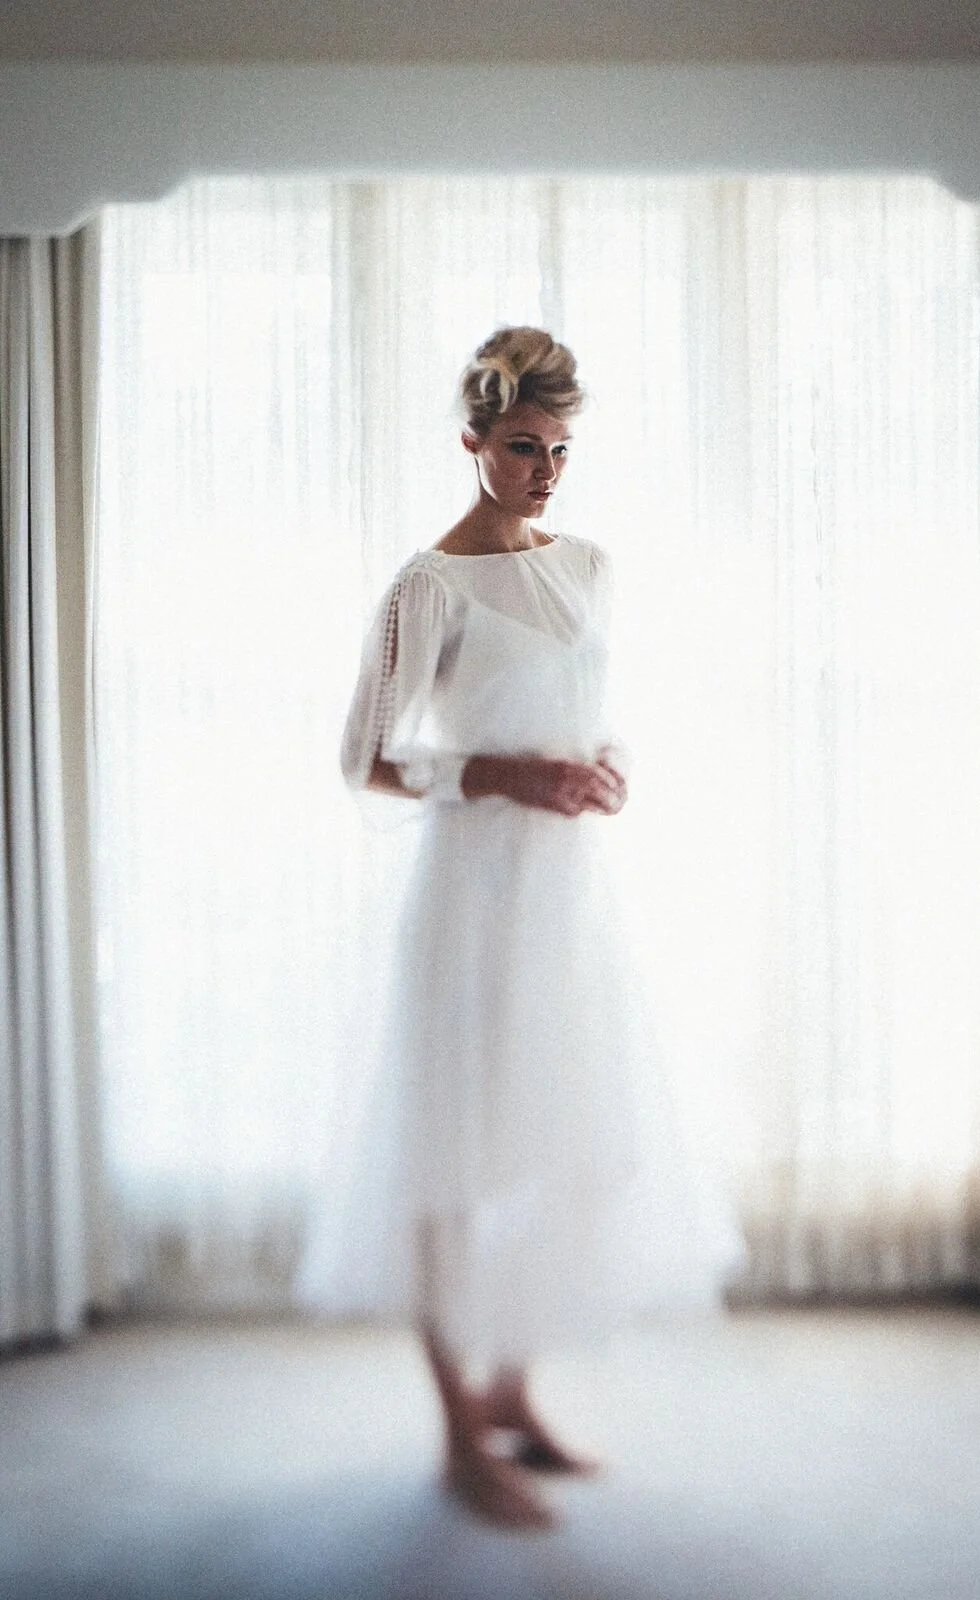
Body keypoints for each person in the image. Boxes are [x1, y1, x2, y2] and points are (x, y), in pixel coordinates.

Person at [298, 326, 739, 1532]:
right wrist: (497, 776)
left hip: (567, 904)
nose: (544, 469)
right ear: (472, 445)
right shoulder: (428, 583)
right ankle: (455, 1440)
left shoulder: (590, 563)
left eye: (559, 449)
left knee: (566, 1152)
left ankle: (511, 1394)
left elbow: (585, 711)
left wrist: (608, 765)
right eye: (521, 447)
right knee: (448, 1166)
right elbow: (364, 760)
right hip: (467, 904)